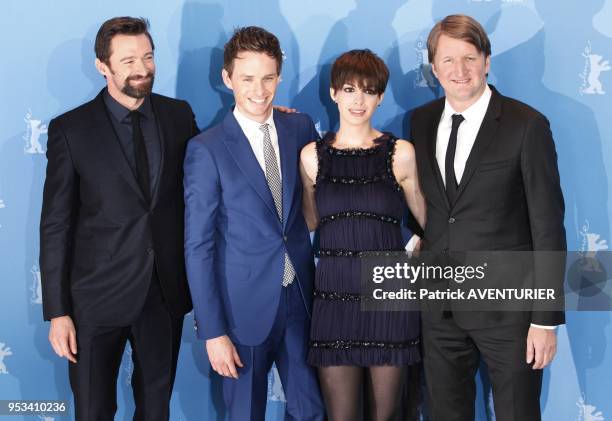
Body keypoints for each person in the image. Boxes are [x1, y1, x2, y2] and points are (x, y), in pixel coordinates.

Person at [39, 17, 198, 420]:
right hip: (94, 300)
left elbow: (213, 164)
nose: (141, 68)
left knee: (155, 408)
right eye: (128, 60)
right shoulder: (71, 130)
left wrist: (265, 120)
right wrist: (58, 312)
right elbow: (56, 224)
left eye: (147, 56)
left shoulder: (178, 115)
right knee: (93, 410)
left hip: (163, 293)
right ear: (102, 66)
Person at [410, 14, 566, 421]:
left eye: (469, 58)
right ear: (433, 67)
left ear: (486, 61)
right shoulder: (421, 121)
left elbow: (548, 226)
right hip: (440, 310)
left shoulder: (526, 125)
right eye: (447, 60)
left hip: (510, 316)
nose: (458, 71)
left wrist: (545, 321)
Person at [183, 26, 325, 421]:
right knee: (245, 414)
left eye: (268, 78)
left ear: (279, 76)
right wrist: (213, 331)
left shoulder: (299, 128)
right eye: (247, 78)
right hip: (240, 310)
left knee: (312, 410)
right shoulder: (206, 149)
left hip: (299, 296)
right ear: (227, 78)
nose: (259, 90)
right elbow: (198, 246)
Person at [300, 49, 426, 421]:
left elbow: (430, 222)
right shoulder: (311, 156)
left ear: (381, 96)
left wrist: (417, 247)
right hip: (334, 296)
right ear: (334, 92)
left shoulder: (400, 153)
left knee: (387, 416)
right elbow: (309, 223)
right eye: (350, 89)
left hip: (388, 295)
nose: (359, 100)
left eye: (369, 91)